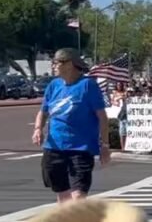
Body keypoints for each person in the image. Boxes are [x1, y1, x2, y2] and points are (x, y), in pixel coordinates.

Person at [32, 48, 110, 204]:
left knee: (78, 195)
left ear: (70, 64)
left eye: (57, 62)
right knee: (62, 194)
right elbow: (44, 111)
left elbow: (102, 117)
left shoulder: (88, 85)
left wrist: (105, 145)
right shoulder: (54, 86)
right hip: (54, 147)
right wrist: (38, 129)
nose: (53, 66)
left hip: (80, 148)